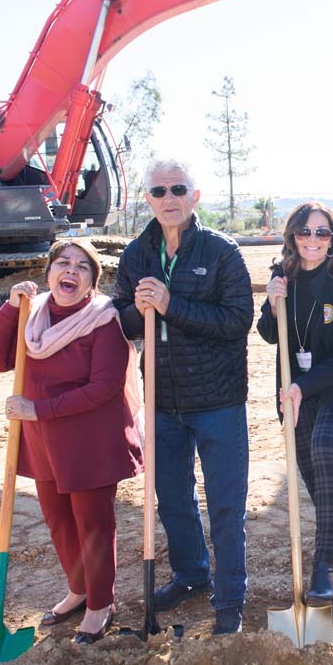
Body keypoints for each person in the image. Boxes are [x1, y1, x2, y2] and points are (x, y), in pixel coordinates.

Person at [112, 159, 254, 636]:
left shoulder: (221, 252)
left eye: (178, 188)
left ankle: (229, 600)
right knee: (172, 498)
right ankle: (192, 575)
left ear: (195, 196)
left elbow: (237, 322)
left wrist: (173, 304)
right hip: (163, 401)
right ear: (147, 199)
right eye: (158, 191)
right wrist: (139, 310)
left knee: (225, 505)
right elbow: (120, 323)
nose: (168, 198)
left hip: (218, 401)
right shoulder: (136, 255)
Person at [0, 239, 144, 644]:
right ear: (49, 272)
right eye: (63, 263)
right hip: (43, 443)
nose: (70, 271)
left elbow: (105, 386)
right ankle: (79, 589)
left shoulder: (102, 320)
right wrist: (9, 310)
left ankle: (100, 604)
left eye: (82, 267)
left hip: (90, 443)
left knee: (92, 524)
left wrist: (39, 409)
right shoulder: (31, 317)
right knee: (58, 521)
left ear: (91, 282)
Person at [257, 202, 333, 605]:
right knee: (311, 472)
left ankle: (323, 561)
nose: (312, 239)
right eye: (305, 232)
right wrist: (273, 305)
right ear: (292, 236)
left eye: (322, 233)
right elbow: (270, 335)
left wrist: (305, 386)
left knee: (324, 447)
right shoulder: (281, 277)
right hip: (293, 390)